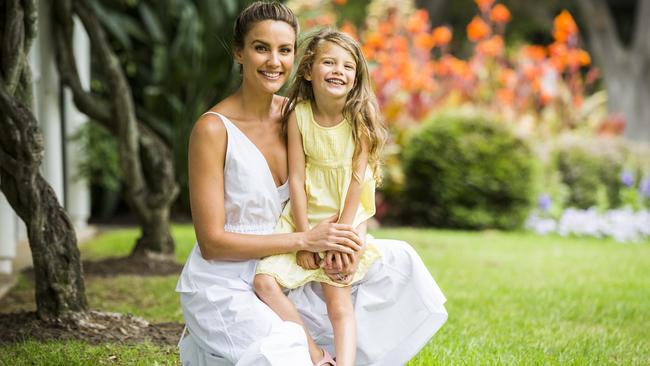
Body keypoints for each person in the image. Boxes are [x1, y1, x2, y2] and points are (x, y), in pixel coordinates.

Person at [176, 2, 448, 365]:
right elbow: (211, 244)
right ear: (239, 52)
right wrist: (305, 240)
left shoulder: (298, 115)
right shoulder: (212, 130)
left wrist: (349, 240)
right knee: (286, 353)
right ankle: (318, 355)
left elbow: (351, 180)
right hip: (228, 279)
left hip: (295, 262)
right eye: (261, 48)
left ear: (295, 58)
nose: (274, 61)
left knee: (398, 265)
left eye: (284, 50)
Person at [253, 29, 386, 366]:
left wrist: (341, 240)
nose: (338, 70)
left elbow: (357, 184)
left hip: (345, 217)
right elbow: (296, 180)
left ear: (356, 79)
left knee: (338, 302)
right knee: (264, 282)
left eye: (347, 66)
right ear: (310, 70)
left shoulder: (360, 120)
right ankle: (316, 355)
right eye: (329, 62)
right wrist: (304, 240)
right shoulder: (298, 115)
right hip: (305, 217)